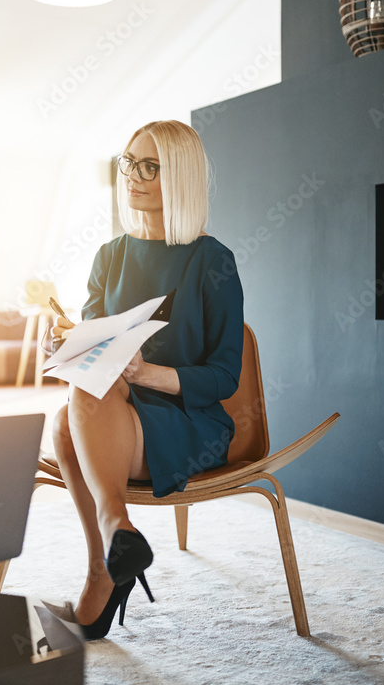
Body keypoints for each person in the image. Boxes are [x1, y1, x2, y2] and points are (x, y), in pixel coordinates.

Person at [51, 120, 244, 640]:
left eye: (150, 166)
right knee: (71, 409)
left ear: (179, 176)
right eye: (129, 162)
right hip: (115, 411)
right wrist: (68, 344)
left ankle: (106, 560)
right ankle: (116, 543)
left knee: (68, 421)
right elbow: (92, 344)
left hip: (189, 422)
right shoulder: (109, 256)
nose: (133, 175)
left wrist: (147, 372)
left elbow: (226, 377)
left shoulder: (213, 260)